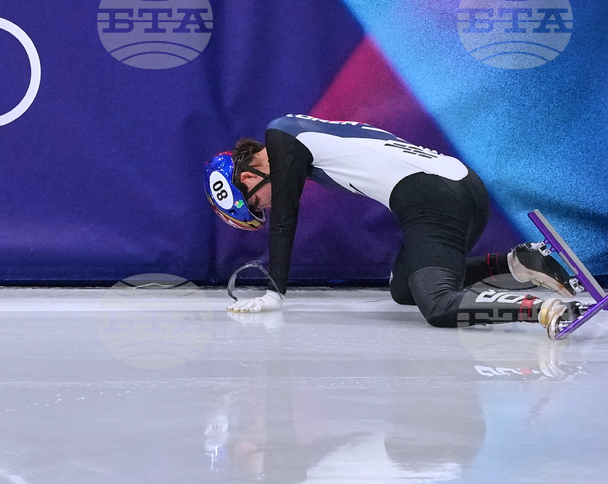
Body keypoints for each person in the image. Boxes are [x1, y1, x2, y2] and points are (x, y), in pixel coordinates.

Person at [203, 114, 587, 339]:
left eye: (255, 203)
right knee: (405, 289)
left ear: (250, 177)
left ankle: (538, 310)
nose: (265, 207)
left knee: (437, 306)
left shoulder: (282, 138)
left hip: (431, 195)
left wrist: (275, 293)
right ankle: (516, 263)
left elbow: (286, 219)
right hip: (458, 186)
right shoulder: (299, 131)